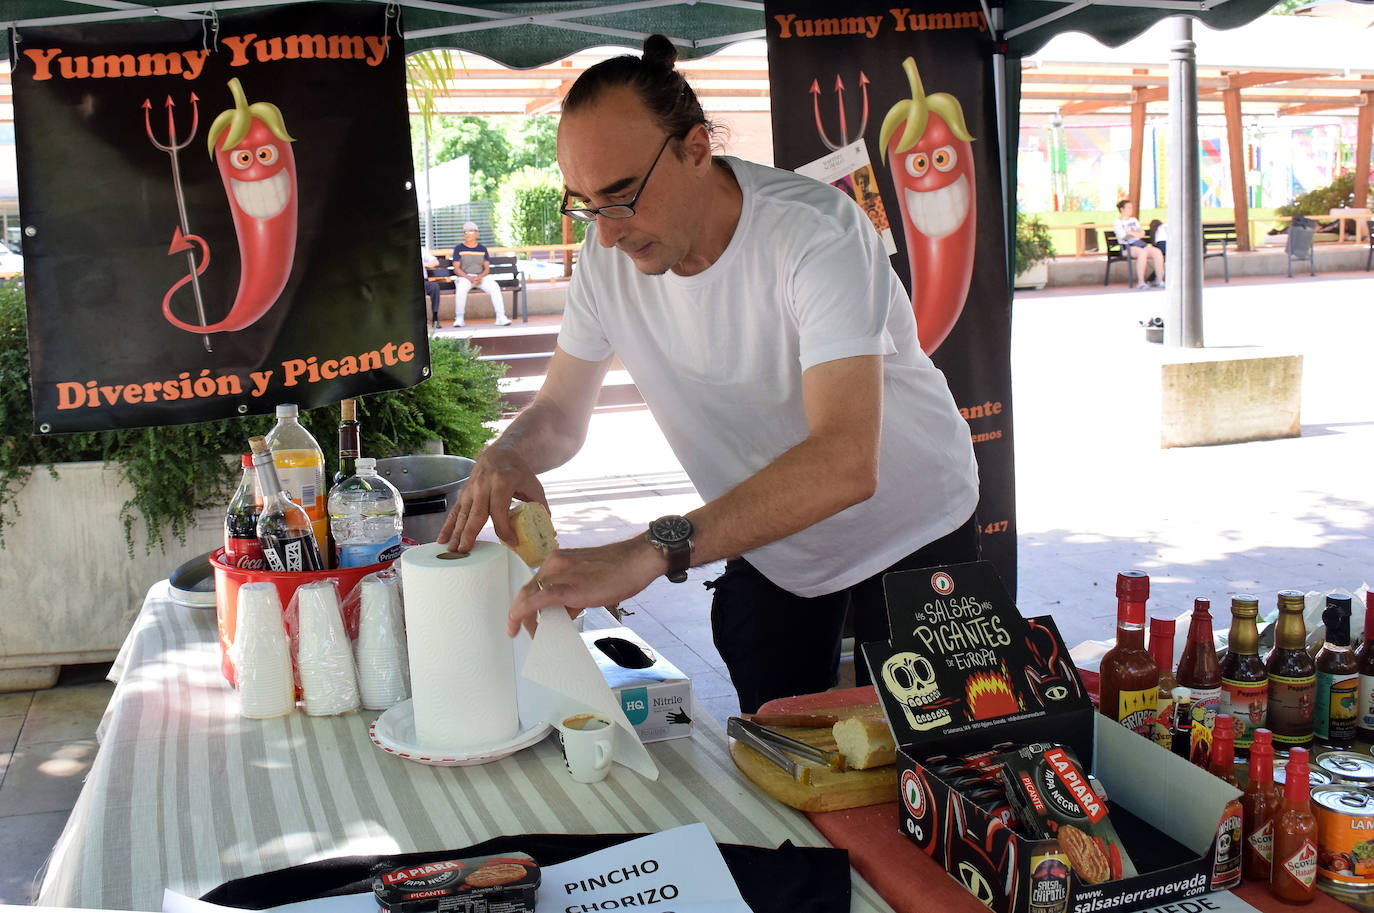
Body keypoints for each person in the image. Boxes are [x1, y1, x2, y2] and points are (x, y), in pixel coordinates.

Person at [438, 35, 980, 714]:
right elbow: (561, 412)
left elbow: (846, 460)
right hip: (777, 543)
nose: (606, 234)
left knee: (940, 759)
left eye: (622, 195)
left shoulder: (816, 233)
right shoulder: (607, 257)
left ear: (697, 149)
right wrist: (509, 450)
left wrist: (646, 552)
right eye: (583, 204)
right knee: (786, 758)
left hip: (915, 525)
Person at [451, 221, 511, 327]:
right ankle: (459, 318)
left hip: (481, 277)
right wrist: (469, 277)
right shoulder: (459, 248)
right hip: (465, 277)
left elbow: (487, 269)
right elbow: (456, 269)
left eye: (470, 231)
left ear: (476, 234)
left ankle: (501, 317)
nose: (467, 234)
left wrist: (480, 277)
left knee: (494, 287)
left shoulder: (482, 249)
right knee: (461, 288)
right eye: (465, 232)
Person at [1114, 200, 1164, 289]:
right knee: (1142, 253)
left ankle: (1159, 280)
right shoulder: (1118, 222)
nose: (1131, 209)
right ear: (1122, 209)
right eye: (1129, 207)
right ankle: (1141, 282)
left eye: (1131, 207)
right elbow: (1123, 237)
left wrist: (1132, 233)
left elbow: (1142, 233)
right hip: (1127, 247)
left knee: (1157, 252)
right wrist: (1135, 233)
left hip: (1140, 244)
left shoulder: (1134, 220)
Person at [422, 247, 443, 328]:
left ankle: (435, 318)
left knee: (434, 287)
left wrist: (424, 264)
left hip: (424, 281)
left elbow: (436, 262)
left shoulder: (421, 250)